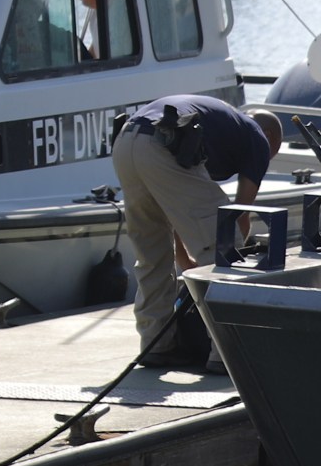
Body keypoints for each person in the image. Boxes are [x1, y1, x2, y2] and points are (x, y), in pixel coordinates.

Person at [111, 93, 283, 367]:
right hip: (162, 141)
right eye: (273, 151)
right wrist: (231, 253)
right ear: (270, 134)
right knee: (226, 248)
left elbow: (178, 208)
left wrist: (184, 258)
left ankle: (157, 346)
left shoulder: (219, 130)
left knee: (152, 256)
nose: (267, 159)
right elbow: (237, 218)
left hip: (127, 140)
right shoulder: (256, 137)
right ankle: (226, 355)